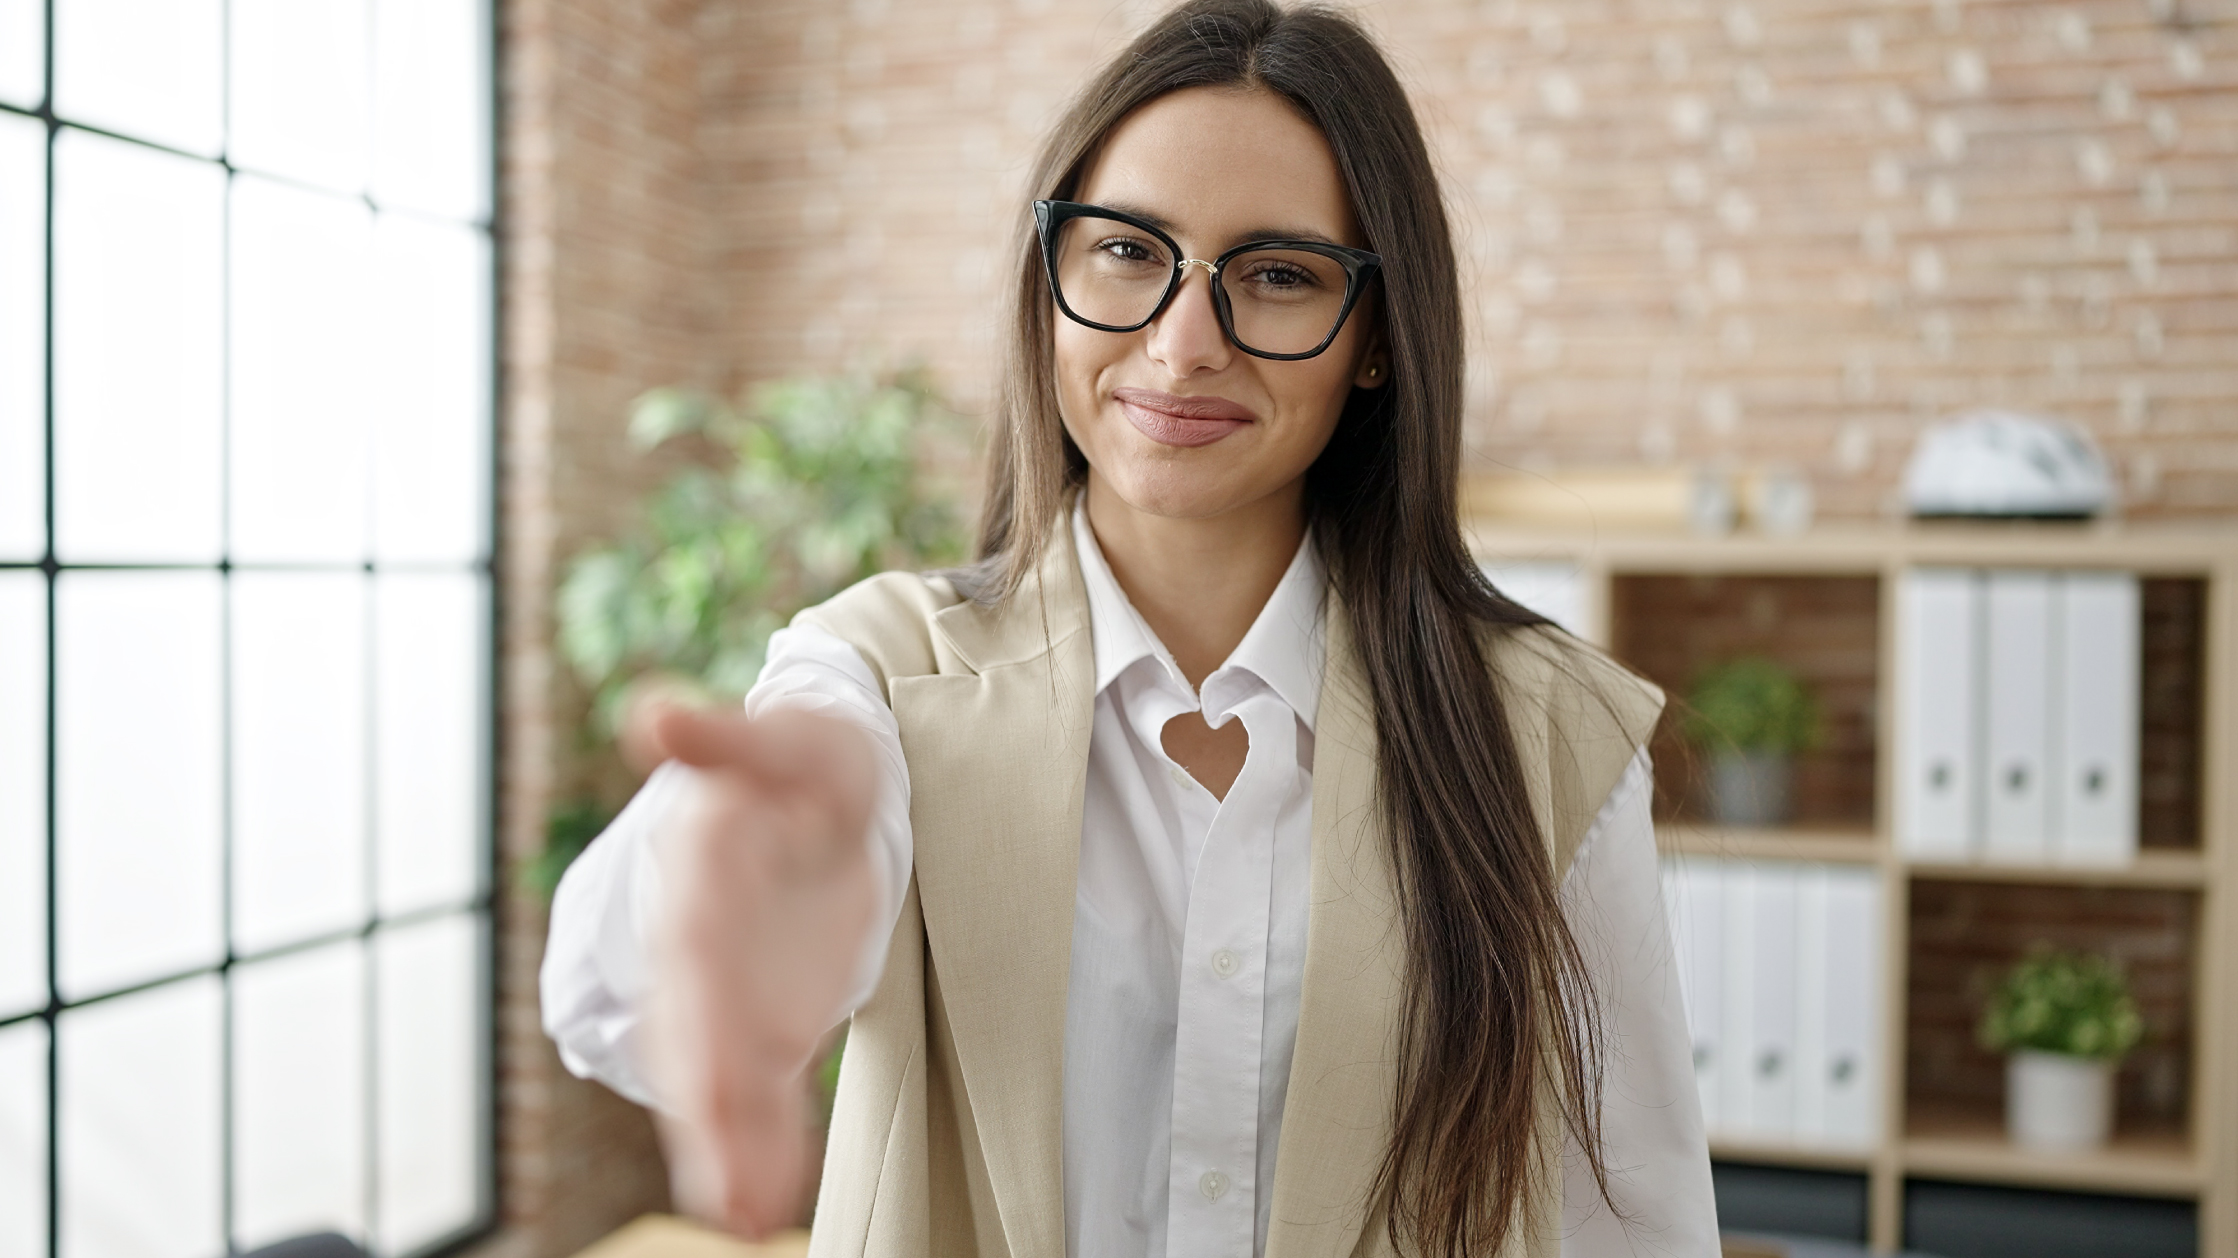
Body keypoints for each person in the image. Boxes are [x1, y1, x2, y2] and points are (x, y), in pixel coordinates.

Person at [542, 2, 1717, 1254]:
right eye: (1125, 251)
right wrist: (767, 878)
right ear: (1049, 282)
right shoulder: (877, 680)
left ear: (1374, 340)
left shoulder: (1550, 734)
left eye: (1276, 275)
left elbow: (1631, 1219)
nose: (1181, 343)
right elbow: (609, 999)